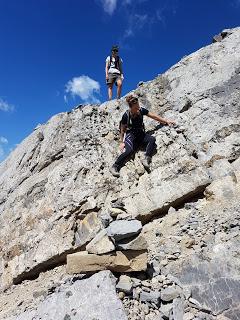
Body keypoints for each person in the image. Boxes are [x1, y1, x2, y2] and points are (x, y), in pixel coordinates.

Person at [110, 95, 176, 177]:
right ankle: (115, 166)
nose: (138, 108)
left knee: (152, 139)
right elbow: (122, 130)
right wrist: (121, 142)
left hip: (140, 134)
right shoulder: (126, 116)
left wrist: (166, 121)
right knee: (129, 151)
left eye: (138, 105)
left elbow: (154, 116)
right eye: (136, 107)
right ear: (131, 107)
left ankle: (146, 159)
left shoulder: (141, 110)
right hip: (131, 135)